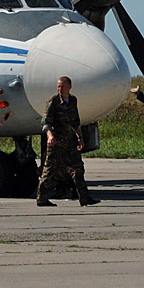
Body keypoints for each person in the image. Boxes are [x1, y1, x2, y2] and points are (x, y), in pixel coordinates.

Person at [36, 76, 99, 207]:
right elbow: (45, 123)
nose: (59, 89)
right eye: (58, 86)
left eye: (62, 87)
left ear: (69, 87)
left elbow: (76, 122)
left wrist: (80, 138)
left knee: (78, 168)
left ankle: (84, 198)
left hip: (70, 142)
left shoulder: (73, 101)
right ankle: (41, 197)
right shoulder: (53, 102)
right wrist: (49, 135)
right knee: (49, 170)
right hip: (56, 143)